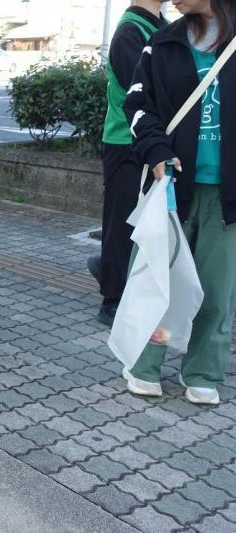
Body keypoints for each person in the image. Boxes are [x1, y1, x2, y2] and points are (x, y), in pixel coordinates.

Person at [123, 0, 236, 405]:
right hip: (171, 187)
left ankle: (203, 372)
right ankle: (145, 365)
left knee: (217, 291)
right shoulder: (161, 42)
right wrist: (155, 150)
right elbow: (138, 105)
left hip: (227, 196)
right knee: (157, 282)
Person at [88, 0, 169, 327]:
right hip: (125, 142)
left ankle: (108, 266)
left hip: (147, 142)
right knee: (122, 223)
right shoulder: (129, 32)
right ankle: (112, 300)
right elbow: (147, 91)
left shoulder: (159, 25)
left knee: (140, 223)